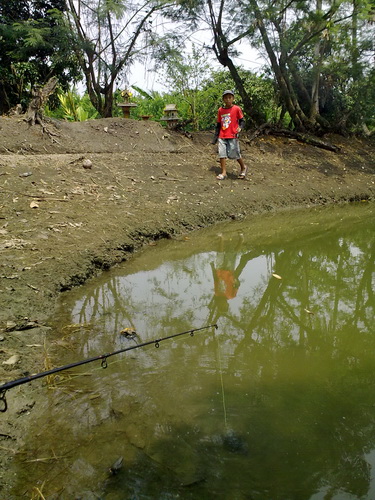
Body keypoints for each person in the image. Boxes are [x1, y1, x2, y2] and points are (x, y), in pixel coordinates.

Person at [212, 90, 248, 180]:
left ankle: (243, 167)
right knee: (222, 154)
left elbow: (242, 120)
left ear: (233, 98)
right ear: (223, 99)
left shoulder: (236, 109)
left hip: (232, 135)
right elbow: (218, 125)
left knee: (234, 154)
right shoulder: (220, 110)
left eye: (230, 97)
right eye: (226, 98)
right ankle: (224, 172)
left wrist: (240, 127)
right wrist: (215, 138)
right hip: (222, 135)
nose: (228, 100)